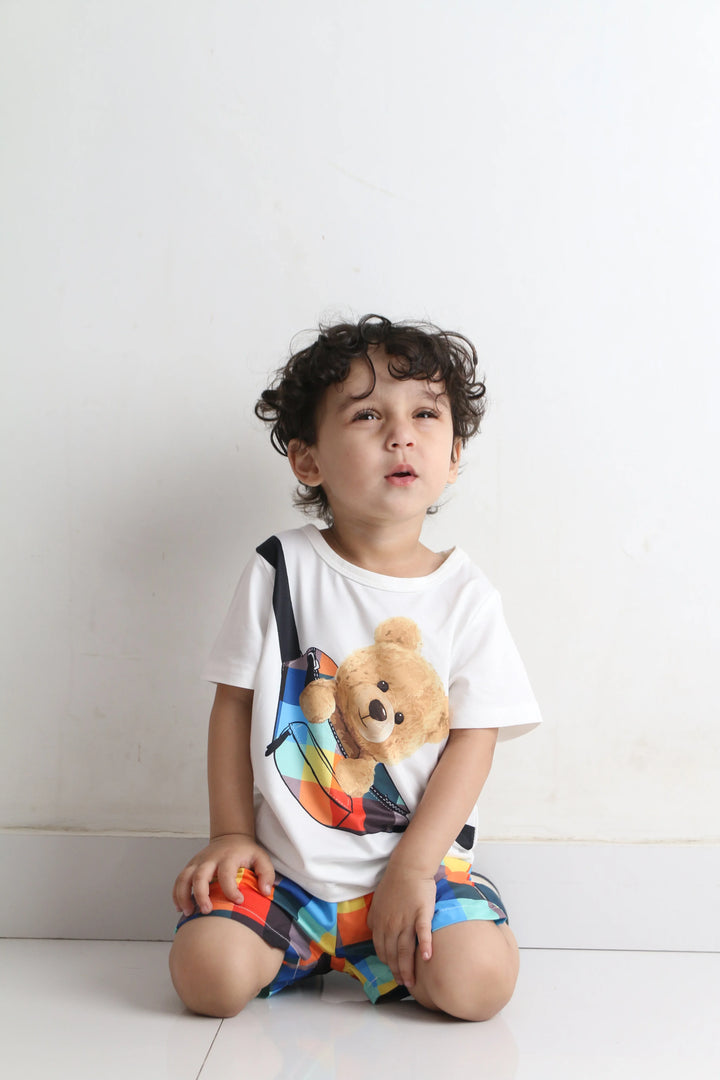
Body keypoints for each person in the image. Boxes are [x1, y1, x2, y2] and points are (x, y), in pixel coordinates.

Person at [169, 314, 541, 1021]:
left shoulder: (466, 595)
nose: (401, 434)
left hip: (416, 874)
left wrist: (413, 866)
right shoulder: (280, 567)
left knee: (478, 986)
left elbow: (476, 738)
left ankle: (434, 927)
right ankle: (293, 947)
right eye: (368, 414)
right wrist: (229, 834)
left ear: (454, 455)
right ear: (309, 461)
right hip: (288, 876)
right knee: (206, 978)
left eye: (426, 415)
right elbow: (235, 705)